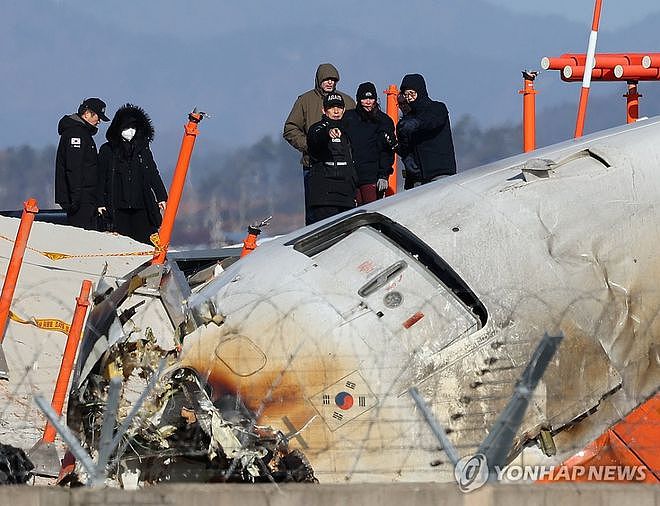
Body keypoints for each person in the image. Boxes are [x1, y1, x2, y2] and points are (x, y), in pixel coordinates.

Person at [283, 63, 355, 224]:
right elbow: (290, 128)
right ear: (318, 80)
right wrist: (309, 146)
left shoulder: (347, 101)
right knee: (314, 213)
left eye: (333, 79)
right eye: (326, 79)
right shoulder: (305, 101)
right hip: (313, 165)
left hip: (342, 167)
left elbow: (356, 130)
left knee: (344, 213)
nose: (329, 82)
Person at [97, 104, 168, 245]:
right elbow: (101, 177)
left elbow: (152, 172)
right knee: (120, 243)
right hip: (117, 205)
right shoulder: (108, 150)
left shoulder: (142, 149)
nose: (130, 131)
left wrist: (161, 196)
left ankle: (150, 263)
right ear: (118, 129)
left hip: (141, 204)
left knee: (147, 240)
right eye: (126, 128)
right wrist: (100, 202)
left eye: (133, 128)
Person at [55, 97, 109, 229]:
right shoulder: (76, 134)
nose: (99, 121)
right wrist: (76, 199)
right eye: (97, 116)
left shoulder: (83, 133)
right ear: (87, 114)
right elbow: (74, 168)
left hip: (86, 198)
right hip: (81, 199)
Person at [396, 74, 457, 189]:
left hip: (440, 173)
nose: (409, 98)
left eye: (412, 93)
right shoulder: (405, 121)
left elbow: (431, 121)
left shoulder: (438, 108)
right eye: (406, 94)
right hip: (417, 179)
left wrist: (416, 123)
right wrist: (407, 158)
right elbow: (405, 147)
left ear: (420, 91)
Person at [305, 92, 357, 224]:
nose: (336, 111)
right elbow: (315, 137)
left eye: (339, 107)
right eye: (331, 107)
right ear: (324, 110)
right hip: (324, 197)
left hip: (346, 196)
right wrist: (328, 133)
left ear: (344, 110)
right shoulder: (316, 128)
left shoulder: (349, 130)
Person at [342, 82, 396, 204]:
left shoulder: (383, 121)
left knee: (369, 211)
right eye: (364, 98)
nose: (368, 102)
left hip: (372, 177)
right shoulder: (348, 118)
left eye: (371, 98)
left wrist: (383, 174)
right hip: (351, 176)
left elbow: (387, 151)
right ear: (358, 99)